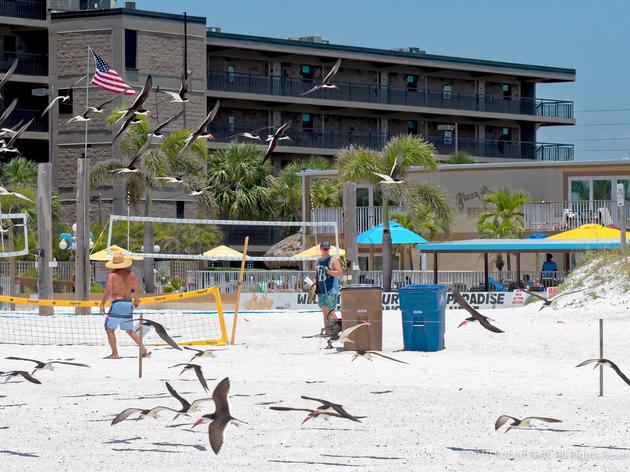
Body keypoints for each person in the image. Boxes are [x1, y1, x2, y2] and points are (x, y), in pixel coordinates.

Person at [100, 252, 146, 359]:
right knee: (130, 330)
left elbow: (108, 290)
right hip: (128, 304)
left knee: (109, 329)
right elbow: (136, 289)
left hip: (117, 304)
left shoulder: (112, 275)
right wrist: (137, 300)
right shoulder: (132, 275)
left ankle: (114, 353)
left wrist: (102, 304)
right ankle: (143, 349)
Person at [315, 241, 342, 334]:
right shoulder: (318, 261)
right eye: (323, 248)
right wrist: (315, 285)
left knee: (329, 309)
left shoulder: (333, 260)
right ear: (320, 249)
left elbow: (339, 273)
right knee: (324, 310)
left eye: (326, 248)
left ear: (329, 249)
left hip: (331, 288)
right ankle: (327, 330)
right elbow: (318, 275)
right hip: (321, 288)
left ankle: (340, 323)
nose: (325, 250)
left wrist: (328, 271)